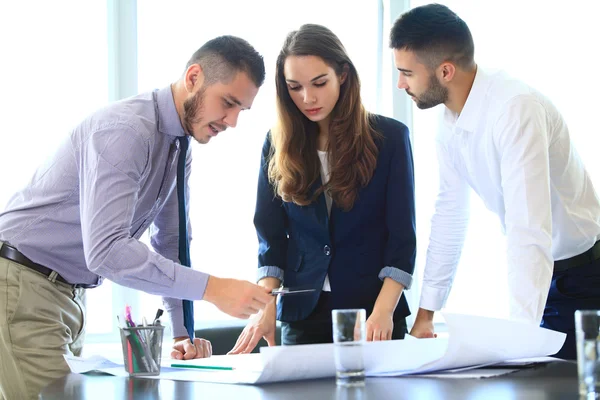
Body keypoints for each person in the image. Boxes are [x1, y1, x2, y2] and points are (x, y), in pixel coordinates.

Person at [0, 35, 274, 399]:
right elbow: (107, 250)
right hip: (24, 284)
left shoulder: (179, 145)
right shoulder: (126, 130)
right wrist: (212, 288)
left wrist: (182, 332)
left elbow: (171, 241)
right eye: (228, 102)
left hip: (66, 295)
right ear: (193, 77)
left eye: (242, 110)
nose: (233, 121)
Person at [390, 4, 600, 359]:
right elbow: (450, 216)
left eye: (407, 73)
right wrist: (426, 313)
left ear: (445, 70)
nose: (400, 84)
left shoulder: (515, 108)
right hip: (544, 277)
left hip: (583, 280)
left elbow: (528, 228)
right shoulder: (449, 123)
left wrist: (518, 340)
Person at [229, 24, 416, 354]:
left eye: (319, 83)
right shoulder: (277, 144)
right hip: (302, 317)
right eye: (294, 87)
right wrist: (266, 305)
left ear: (342, 75)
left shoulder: (389, 139)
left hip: (373, 315)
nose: (307, 98)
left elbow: (402, 238)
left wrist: (384, 311)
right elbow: (270, 239)